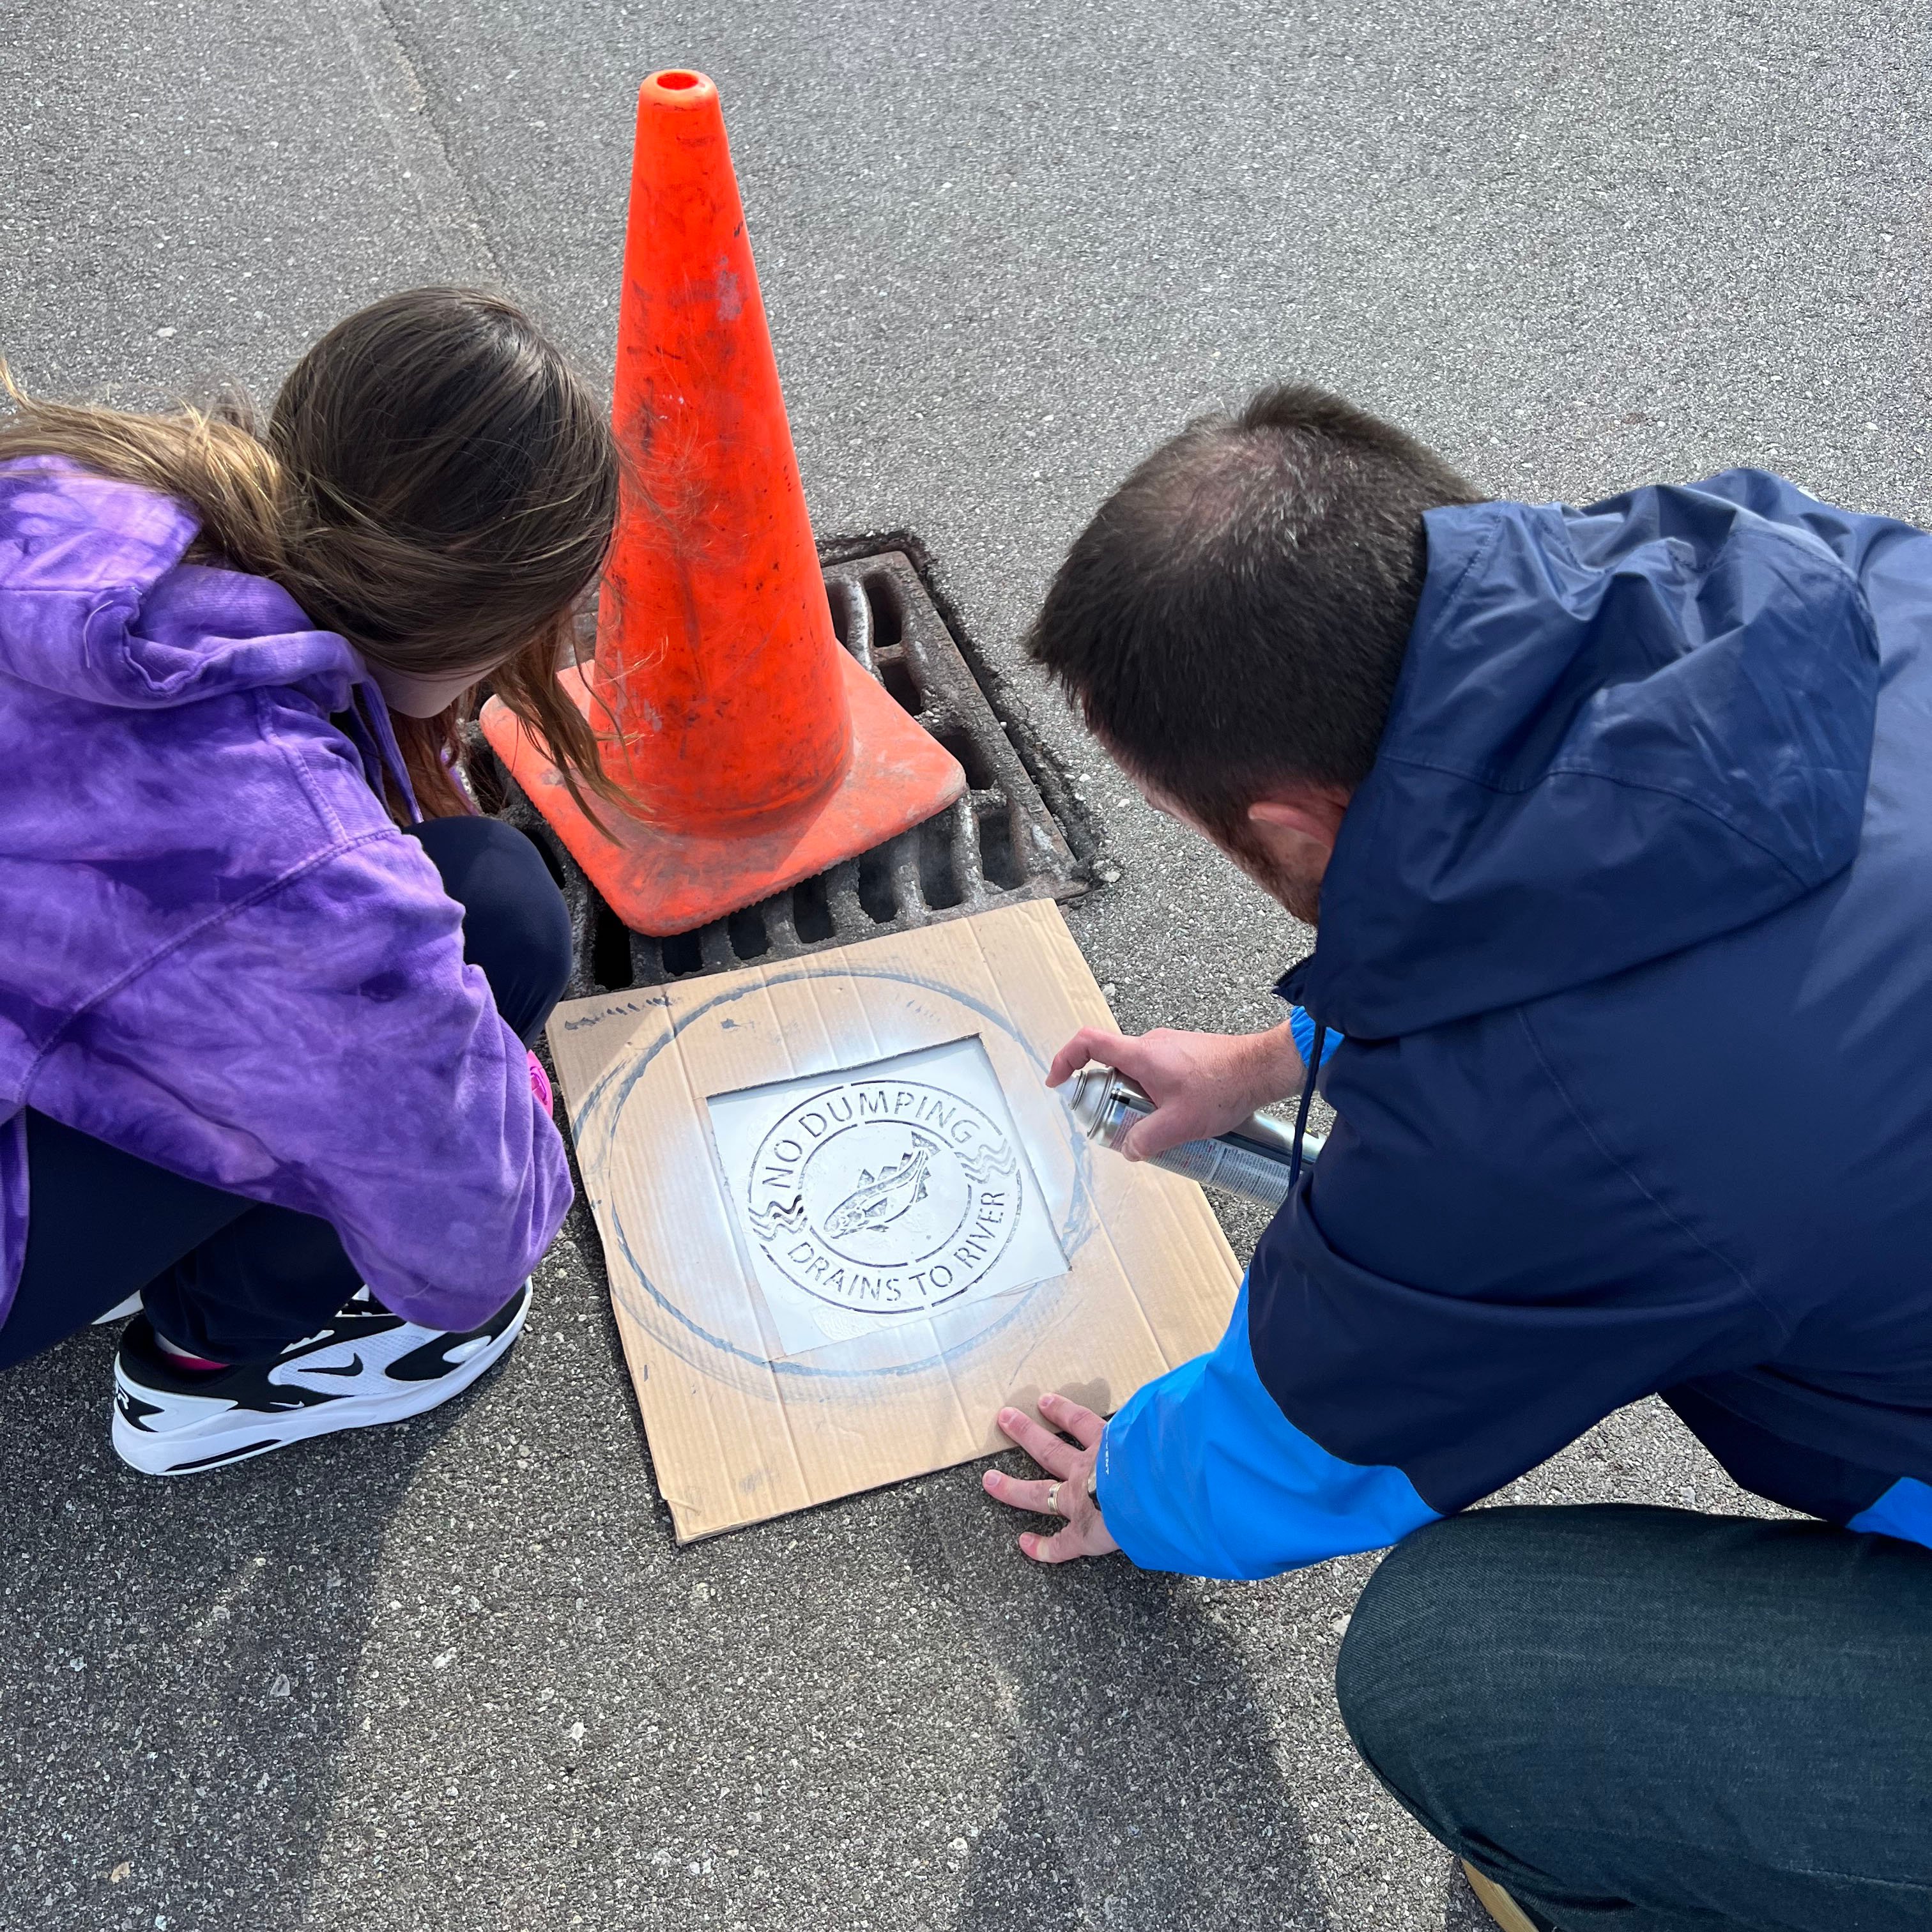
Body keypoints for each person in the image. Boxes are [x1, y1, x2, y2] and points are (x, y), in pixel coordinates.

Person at [984, 386, 1932, 1930]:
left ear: (1289, 827)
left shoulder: (1545, 1128)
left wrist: (1141, 1485)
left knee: (1459, 1673)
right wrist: (1275, 1058)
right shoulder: (1800, 573)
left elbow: (1322, 1429)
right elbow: (1628, 913)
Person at [0, 288, 620, 1476]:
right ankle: (198, 1378)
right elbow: (473, 1240)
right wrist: (510, 1095)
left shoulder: (79, 493)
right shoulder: (303, 859)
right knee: (502, 915)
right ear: (483, 629)